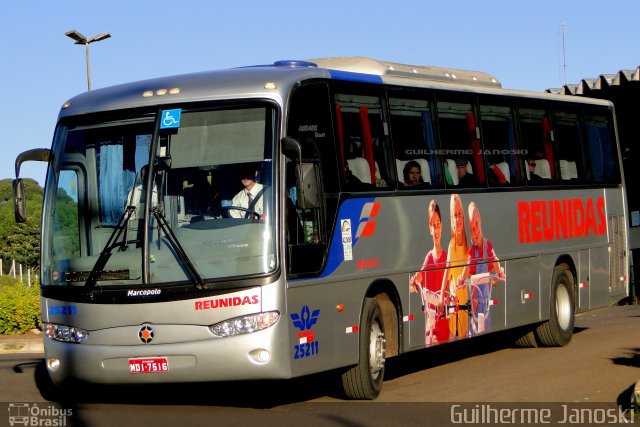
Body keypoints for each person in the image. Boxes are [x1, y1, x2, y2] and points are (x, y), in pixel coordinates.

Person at [457, 202, 505, 334]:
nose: (475, 231)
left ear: (480, 221)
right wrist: (461, 278)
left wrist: (499, 270)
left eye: (476, 225)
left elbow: (494, 259)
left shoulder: (487, 246)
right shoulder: (473, 251)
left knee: (485, 324)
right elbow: (468, 268)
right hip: (476, 299)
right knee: (474, 324)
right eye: (472, 229)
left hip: (486, 298)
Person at [409, 200, 450, 345]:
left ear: (442, 226)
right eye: (433, 225)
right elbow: (421, 275)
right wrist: (414, 280)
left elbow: (451, 281)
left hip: (443, 316)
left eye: (438, 224)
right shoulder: (429, 257)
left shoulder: (447, 257)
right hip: (430, 317)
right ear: (430, 229)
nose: (436, 229)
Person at [439, 193, 470, 339]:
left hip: (465, 296)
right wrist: (441, 294)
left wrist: (463, 276)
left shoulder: (467, 244)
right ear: (451, 220)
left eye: (459, 214)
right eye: (454, 216)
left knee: (463, 332)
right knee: (453, 333)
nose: (457, 219)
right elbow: (447, 270)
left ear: (463, 216)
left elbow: (470, 263)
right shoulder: (452, 245)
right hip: (455, 296)